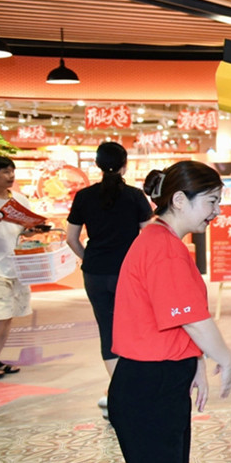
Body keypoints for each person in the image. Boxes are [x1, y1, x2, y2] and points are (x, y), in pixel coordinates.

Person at [109, 161, 231, 463]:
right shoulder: (162, 248)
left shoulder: (161, 240)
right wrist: (225, 358)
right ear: (179, 200)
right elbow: (194, 319)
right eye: (211, 202)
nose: (216, 211)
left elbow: (175, 317)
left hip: (157, 385)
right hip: (149, 390)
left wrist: (195, 363)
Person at [66, 142, 153, 416]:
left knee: (107, 329)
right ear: (125, 164)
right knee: (134, 327)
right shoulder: (135, 196)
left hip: (95, 272)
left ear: (97, 165)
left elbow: (71, 239)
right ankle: (136, 387)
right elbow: (149, 237)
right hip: (128, 273)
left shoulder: (83, 196)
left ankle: (117, 391)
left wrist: (88, 259)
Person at [0, 156, 32, 379]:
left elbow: (24, 229)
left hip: (15, 264)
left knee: (7, 315)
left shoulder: (20, 200)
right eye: (4, 172)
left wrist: (31, 231)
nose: (11, 176)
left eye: (12, 171)